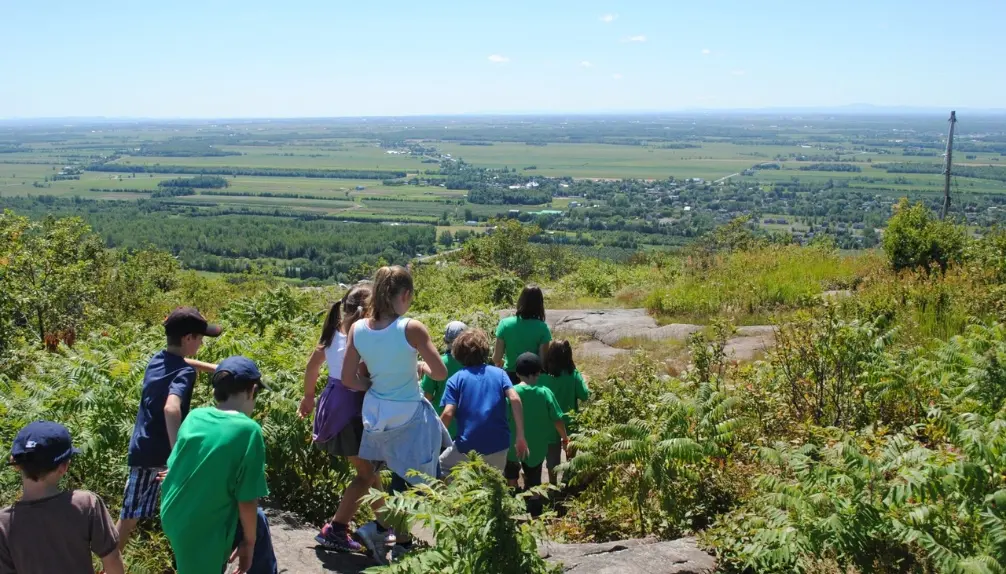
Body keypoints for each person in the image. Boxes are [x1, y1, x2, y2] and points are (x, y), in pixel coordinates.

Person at [340, 265, 450, 563]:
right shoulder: (411, 328)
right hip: (407, 414)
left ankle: (383, 529)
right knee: (412, 479)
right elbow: (440, 373)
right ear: (405, 294)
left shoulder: (357, 329)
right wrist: (421, 367)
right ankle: (395, 539)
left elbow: (349, 378)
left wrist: (375, 385)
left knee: (386, 475)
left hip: (375, 415)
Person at [117, 307, 221, 551]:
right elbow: (171, 408)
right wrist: (177, 457)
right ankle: (108, 560)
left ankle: (109, 561)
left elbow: (184, 361)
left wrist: (216, 367)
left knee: (135, 514)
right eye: (200, 338)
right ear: (188, 338)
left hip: (144, 446)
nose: (202, 343)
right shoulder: (184, 372)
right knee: (138, 516)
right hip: (159, 455)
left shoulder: (158, 359)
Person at [299, 284, 394, 553]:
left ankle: (385, 524)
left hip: (333, 404)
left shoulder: (333, 333)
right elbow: (365, 375)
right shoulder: (363, 338)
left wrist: (308, 397)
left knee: (370, 470)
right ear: (369, 310)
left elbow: (312, 366)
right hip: (351, 409)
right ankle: (336, 528)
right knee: (366, 473)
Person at [160, 356, 277, 574]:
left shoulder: (195, 416)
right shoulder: (248, 431)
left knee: (259, 520)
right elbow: (247, 498)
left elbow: (175, 464)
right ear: (252, 391)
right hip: (201, 524)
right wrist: (248, 543)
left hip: (175, 513)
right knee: (253, 528)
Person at [0, 421, 125, 574]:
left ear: (15, 463)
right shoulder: (85, 504)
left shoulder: (3, 524)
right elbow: (113, 560)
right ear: (64, 467)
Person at [437, 329, 529, 473]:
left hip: (467, 445)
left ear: (457, 353)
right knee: (492, 481)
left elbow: (448, 413)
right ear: (485, 351)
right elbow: (515, 398)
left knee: (439, 469)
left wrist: (433, 441)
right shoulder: (500, 374)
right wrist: (520, 436)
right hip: (499, 444)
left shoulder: (455, 380)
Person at [504, 353, 568, 517]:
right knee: (534, 479)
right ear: (539, 373)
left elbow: (502, 418)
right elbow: (557, 419)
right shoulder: (545, 393)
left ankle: (512, 507)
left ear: (517, 373)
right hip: (537, 446)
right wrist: (565, 438)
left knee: (511, 476)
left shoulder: (512, 393)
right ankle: (534, 511)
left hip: (513, 444)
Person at [540, 340, 590, 484]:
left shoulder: (542, 377)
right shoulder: (573, 375)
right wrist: (585, 380)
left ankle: (552, 485)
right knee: (570, 455)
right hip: (570, 423)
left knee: (552, 459)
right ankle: (568, 481)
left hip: (549, 424)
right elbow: (584, 395)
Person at [494, 285, 552, 384]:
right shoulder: (543, 328)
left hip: (510, 377)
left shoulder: (505, 324)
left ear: (521, 301)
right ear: (540, 304)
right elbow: (543, 363)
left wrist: (503, 361)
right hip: (532, 378)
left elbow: (496, 358)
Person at [420, 321, 468, 438]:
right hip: (467, 425)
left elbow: (427, 396)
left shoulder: (438, 363)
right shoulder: (472, 362)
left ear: (445, 340)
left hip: (443, 424)